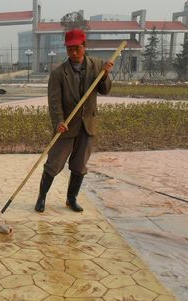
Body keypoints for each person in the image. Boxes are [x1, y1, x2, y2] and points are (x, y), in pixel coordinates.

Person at [35, 28, 114, 213]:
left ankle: (71, 199)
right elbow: (54, 103)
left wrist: (105, 76)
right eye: (70, 49)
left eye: (77, 48)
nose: (74, 53)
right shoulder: (58, 73)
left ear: (84, 46)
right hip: (66, 126)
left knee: (79, 165)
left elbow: (105, 90)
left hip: (87, 125)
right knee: (54, 164)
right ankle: (42, 197)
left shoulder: (98, 66)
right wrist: (58, 122)